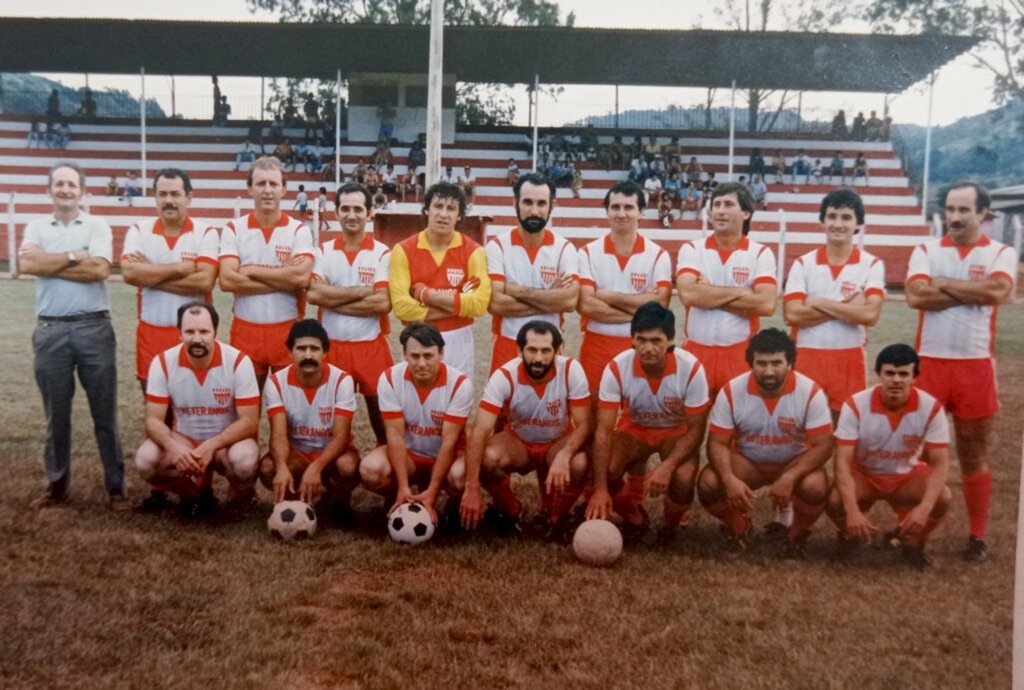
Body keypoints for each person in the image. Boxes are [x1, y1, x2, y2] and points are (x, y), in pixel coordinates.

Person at [905, 181, 1017, 561]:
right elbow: (915, 296)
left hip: (975, 366)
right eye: (950, 209)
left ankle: (977, 536)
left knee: (972, 451)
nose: (954, 217)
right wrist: (972, 289)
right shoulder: (927, 249)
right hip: (929, 364)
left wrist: (945, 285)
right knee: (917, 453)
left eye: (963, 210)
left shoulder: (1002, 251)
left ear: (982, 214)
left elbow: (998, 293)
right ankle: (913, 530)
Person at [18, 161, 128, 511]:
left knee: (104, 413)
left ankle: (116, 488)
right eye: (59, 184)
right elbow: (27, 266)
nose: (65, 190)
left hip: (93, 326)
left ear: (83, 191)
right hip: (50, 328)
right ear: (48, 189)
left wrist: (50, 263)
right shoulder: (36, 226)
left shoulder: (96, 224)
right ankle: (56, 486)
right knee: (57, 413)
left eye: (72, 184)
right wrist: (71, 256)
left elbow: (100, 269)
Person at [121, 168, 220, 510]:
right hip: (152, 331)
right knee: (159, 415)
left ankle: (200, 487)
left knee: (195, 413)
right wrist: (180, 269)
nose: (168, 200)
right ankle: (160, 491)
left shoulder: (205, 232)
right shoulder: (139, 230)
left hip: (193, 336)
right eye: (162, 193)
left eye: (175, 193)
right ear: (154, 197)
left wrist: (153, 272)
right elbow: (129, 274)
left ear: (189, 197)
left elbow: (204, 281)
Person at [577, 180, 672, 510]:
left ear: (642, 212)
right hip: (596, 345)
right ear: (606, 211)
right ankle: (592, 488)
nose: (621, 213)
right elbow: (586, 305)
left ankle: (634, 495)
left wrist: (605, 294)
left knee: (639, 420)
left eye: (629, 207)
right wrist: (636, 306)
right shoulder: (587, 252)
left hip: (639, 349)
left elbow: (659, 307)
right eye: (615, 207)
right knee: (592, 421)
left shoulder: (657, 254)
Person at [697, 329, 834, 555]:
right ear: (751, 363)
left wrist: (790, 476)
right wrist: (729, 479)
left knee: (815, 486)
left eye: (776, 362)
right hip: (748, 463)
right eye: (761, 363)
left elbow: (824, 445)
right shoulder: (732, 390)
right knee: (709, 482)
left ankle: (793, 534)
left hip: (791, 463)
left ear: (790, 363)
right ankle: (740, 527)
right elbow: (717, 443)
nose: (769, 371)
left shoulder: (809, 391)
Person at [585, 303, 711, 542]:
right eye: (641, 340)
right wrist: (600, 489)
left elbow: (696, 430)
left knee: (683, 477)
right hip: (635, 429)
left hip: (675, 431)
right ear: (632, 339)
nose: (648, 348)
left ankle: (669, 526)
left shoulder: (691, 368)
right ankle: (635, 517)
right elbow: (603, 431)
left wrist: (668, 467)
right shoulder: (617, 367)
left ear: (670, 340)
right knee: (607, 470)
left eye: (656, 340)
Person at [825, 344, 951, 570]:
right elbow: (842, 462)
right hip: (864, 474)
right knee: (835, 500)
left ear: (914, 376)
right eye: (889, 373)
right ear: (878, 374)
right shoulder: (855, 404)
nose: (896, 380)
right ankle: (850, 535)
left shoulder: (931, 408)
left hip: (906, 476)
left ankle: (913, 542)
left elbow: (941, 465)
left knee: (942, 498)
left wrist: (924, 509)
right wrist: (852, 511)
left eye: (903, 374)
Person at [460, 321, 591, 537]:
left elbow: (585, 424)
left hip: (557, 442)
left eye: (546, 350)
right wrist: (472, 487)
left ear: (559, 351)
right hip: (519, 441)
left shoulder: (570, 370)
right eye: (531, 350)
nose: (538, 358)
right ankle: (513, 510)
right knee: (486, 458)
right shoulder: (505, 375)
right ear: (519, 350)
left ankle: (555, 518)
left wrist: (564, 455)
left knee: (579, 463)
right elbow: (479, 430)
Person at [135, 302, 260, 517]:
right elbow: (153, 421)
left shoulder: (238, 361)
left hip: (223, 445)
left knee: (245, 460)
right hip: (183, 440)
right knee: (145, 460)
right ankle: (194, 496)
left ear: (215, 332)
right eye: (189, 331)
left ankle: (238, 498)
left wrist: (212, 445)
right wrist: (173, 447)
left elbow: (250, 422)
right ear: (179, 333)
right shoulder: (163, 362)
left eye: (204, 331)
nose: (197, 338)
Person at [783, 189, 885, 422]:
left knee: (846, 431)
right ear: (822, 221)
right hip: (807, 356)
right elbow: (793, 314)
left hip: (849, 359)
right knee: (804, 432)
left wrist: (818, 302)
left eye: (846, 218)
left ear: (858, 224)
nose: (838, 224)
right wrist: (849, 306)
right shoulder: (803, 263)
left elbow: (869, 315)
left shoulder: (872, 264)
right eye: (832, 216)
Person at [359, 323, 474, 526]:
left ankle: (452, 504)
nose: (421, 363)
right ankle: (399, 495)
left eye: (428, 356)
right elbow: (395, 436)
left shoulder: (460, 384)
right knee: (370, 470)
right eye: (415, 356)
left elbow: (450, 443)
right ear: (404, 354)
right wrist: (403, 486)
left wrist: (433, 491)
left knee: (460, 477)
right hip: (410, 455)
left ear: (441, 354)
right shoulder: (389, 379)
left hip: (447, 456)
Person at [307, 182, 393, 446]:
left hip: (371, 346)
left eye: (358, 209)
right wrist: (364, 291)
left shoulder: (382, 252)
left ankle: (388, 465)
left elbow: (382, 303)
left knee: (383, 419)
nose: (352, 215)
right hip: (333, 347)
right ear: (336, 212)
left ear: (370, 213)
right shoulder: (322, 251)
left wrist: (333, 298)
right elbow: (314, 295)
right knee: (328, 420)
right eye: (345, 208)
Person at [218, 156, 315, 385]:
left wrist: (251, 270)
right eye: (261, 184)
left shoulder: (297, 230)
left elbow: (301, 277)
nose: (267, 190)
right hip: (245, 330)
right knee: (247, 406)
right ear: (250, 188)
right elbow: (227, 280)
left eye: (273, 184)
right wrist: (283, 277)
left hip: (288, 330)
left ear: (284, 189)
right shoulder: (234, 228)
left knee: (289, 408)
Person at [676, 181, 777, 396]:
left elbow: (766, 304)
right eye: (717, 204)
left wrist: (709, 292)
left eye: (728, 204)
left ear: (746, 213)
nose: (720, 211)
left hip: (740, 353)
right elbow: (688, 294)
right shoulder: (692, 249)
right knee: (691, 424)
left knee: (738, 424)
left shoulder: (760, 253)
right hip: (696, 351)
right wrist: (742, 293)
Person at [258, 320, 361, 520]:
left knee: (347, 467)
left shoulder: (342, 381)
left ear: (325, 352)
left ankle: (337, 499)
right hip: (297, 453)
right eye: (301, 348)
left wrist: (316, 467)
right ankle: (292, 498)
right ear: (290, 352)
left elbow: (341, 437)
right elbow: (278, 435)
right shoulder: (276, 382)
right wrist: (281, 467)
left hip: (332, 454)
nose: (307, 355)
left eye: (314, 349)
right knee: (268, 467)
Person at [389, 182, 491, 378]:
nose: (443, 214)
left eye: (451, 208)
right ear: (427, 209)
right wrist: (457, 302)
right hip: (417, 338)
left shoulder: (474, 251)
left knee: (457, 400)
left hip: (458, 338)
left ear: (460, 215)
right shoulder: (403, 250)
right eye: (438, 206)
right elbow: (401, 307)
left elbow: (478, 305)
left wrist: (424, 294)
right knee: (417, 400)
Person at [486, 173, 579, 373]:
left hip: (550, 347)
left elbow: (569, 302)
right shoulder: (497, 246)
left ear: (551, 206)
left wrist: (512, 290)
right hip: (507, 345)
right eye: (527, 202)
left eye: (541, 203)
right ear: (515, 203)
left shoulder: (564, 248)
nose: (534, 211)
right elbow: (495, 303)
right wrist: (550, 297)